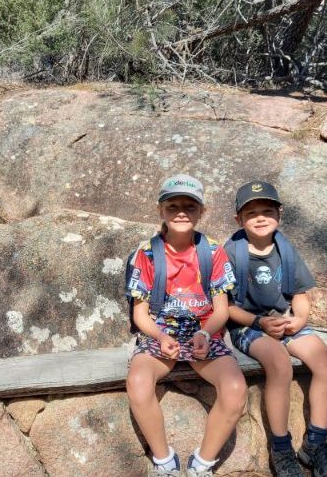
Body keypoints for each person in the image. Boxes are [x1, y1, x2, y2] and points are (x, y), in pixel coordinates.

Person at [125, 174, 247, 477]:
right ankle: (164, 461)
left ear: (201, 211)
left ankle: (201, 465)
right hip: (161, 333)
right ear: (160, 210)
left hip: (203, 335)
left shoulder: (213, 252)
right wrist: (159, 334)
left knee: (234, 390)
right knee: (139, 385)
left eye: (190, 206)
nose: (181, 212)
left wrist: (206, 333)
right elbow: (140, 315)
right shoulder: (147, 254)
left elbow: (220, 310)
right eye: (173, 205)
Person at [224, 181, 327, 477]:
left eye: (267, 211)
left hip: (286, 320)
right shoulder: (230, 253)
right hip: (247, 324)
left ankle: (315, 443)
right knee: (279, 363)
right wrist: (259, 322)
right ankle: (281, 447)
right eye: (251, 213)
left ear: (279, 214)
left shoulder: (285, 249)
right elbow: (223, 306)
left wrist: (299, 319)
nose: (260, 218)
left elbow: (300, 294)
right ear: (239, 219)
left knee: (326, 363)